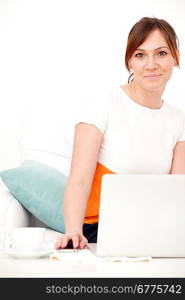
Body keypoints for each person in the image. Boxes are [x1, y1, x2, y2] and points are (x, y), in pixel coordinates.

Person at [55, 17, 185, 250]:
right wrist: (73, 231)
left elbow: (178, 192)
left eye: (162, 53)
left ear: (175, 56)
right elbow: (79, 180)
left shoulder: (178, 120)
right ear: (129, 63)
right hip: (99, 227)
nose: (151, 64)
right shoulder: (102, 105)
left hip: (154, 228)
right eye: (140, 55)